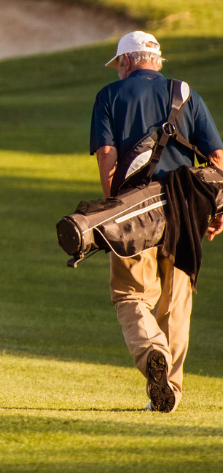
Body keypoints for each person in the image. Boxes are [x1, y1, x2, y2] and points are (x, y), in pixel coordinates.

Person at [90, 30, 223, 413]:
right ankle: (171, 394)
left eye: (119, 64)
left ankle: (152, 354)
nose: (118, 71)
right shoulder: (184, 93)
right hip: (186, 207)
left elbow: (106, 155)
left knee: (130, 294)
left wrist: (112, 206)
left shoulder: (109, 96)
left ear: (128, 60)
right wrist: (218, 209)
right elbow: (216, 157)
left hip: (134, 210)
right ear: (155, 60)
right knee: (176, 302)